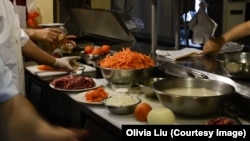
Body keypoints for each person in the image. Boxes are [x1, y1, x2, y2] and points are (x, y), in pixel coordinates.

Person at [0, 0, 90, 141]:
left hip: (13, 98)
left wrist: (56, 62)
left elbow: (20, 38)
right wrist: (39, 131)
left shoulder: (6, 3)